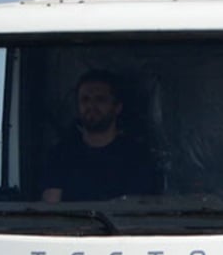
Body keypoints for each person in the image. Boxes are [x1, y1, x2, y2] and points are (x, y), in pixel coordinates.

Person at [41, 70, 159, 203]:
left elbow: (142, 212)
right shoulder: (60, 155)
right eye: (85, 99)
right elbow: (52, 210)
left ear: (117, 108)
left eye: (100, 99)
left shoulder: (138, 156)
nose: (91, 106)